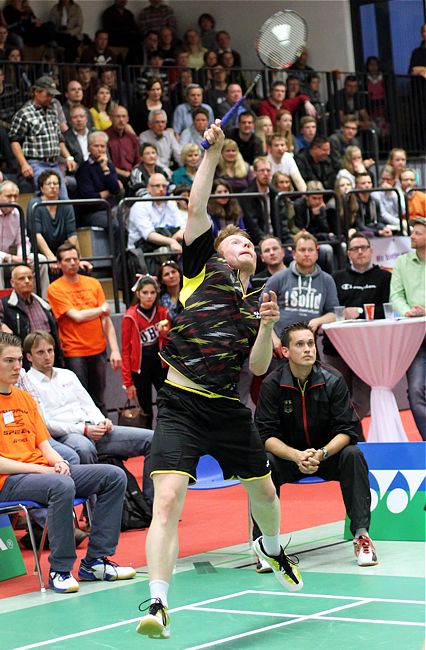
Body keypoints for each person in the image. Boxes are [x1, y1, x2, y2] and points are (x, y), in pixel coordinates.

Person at [136, 121, 302, 641]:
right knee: (166, 502)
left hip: (227, 410)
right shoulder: (199, 266)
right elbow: (198, 207)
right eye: (239, 241)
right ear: (220, 251)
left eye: (252, 242)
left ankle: (270, 550)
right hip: (181, 405)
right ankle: (159, 603)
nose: (246, 245)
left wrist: (270, 327)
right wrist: (210, 151)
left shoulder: (258, 304)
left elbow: (255, 370)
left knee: (266, 496)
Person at [0, 331, 136, 594]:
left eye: (18, 360)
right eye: (9, 361)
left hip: (42, 473)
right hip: (9, 481)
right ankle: (60, 570)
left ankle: (95, 561)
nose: (18, 367)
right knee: (60, 485)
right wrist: (43, 469)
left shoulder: (24, 398)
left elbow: (44, 444)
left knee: (112, 476)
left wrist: (58, 461)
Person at [253, 322, 377, 570]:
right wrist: (296, 456)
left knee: (353, 454)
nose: (308, 349)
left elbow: (348, 430)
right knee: (263, 463)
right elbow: (265, 436)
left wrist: (321, 454)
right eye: (300, 344)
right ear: (285, 351)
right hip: (288, 458)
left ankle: (362, 536)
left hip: (326, 455)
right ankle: (265, 545)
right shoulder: (272, 385)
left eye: (310, 343)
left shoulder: (333, 380)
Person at [24, 330, 154, 506]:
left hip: (93, 429)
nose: (47, 356)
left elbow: (88, 404)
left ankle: (150, 504)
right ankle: (93, 511)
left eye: (50, 350)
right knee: (84, 448)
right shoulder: (28, 382)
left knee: (151, 439)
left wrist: (102, 421)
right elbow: (46, 424)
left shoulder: (67, 374)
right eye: (40, 352)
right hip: (65, 436)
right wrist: (84, 430)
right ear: (29, 357)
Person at [321, 232, 391, 421]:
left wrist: (360, 312)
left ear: (371, 251)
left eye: (363, 248)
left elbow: (389, 311)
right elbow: (327, 309)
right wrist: (343, 313)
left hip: (369, 349)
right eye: (355, 249)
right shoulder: (335, 278)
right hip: (336, 348)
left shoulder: (385, 277)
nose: (360, 252)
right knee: (334, 397)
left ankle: (345, 431)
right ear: (348, 254)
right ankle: (347, 436)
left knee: (362, 400)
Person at [47, 242, 122, 415]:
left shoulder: (93, 283)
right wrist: (101, 309)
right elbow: (77, 316)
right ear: (59, 264)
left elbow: (106, 319)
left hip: (98, 349)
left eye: (75, 259)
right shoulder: (55, 288)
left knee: (100, 399)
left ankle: (105, 437)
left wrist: (115, 350)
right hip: (75, 352)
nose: (72, 263)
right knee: (80, 399)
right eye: (67, 260)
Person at [264, 231, 338, 355]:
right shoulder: (278, 278)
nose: (307, 254)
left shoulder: (327, 280)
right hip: (280, 347)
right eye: (302, 250)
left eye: (310, 250)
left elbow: (334, 314)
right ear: (293, 254)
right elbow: (260, 313)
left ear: (317, 254)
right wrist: (273, 340)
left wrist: (318, 321)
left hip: (310, 347)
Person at [9, 76, 77, 199]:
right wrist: (24, 164)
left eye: (52, 95)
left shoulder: (53, 111)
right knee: (46, 197)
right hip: (36, 163)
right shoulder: (24, 113)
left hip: (54, 163)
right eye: (48, 94)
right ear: (36, 92)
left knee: (64, 199)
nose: (51, 98)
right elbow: (14, 141)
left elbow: (59, 138)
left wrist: (68, 157)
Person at [390, 217, 426, 440]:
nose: (411, 236)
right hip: (414, 335)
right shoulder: (401, 263)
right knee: (415, 391)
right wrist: (407, 312)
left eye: (417, 233)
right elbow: (395, 295)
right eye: (412, 232)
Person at [121, 276, 170, 428]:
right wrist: (128, 382)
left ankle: (167, 435)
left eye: (152, 293)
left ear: (157, 294)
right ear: (138, 294)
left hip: (160, 363)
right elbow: (126, 350)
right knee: (145, 408)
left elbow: (170, 341)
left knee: (167, 404)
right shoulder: (130, 316)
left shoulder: (163, 312)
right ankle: (149, 441)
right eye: (145, 292)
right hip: (140, 367)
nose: (149, 296)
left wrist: (165, 333)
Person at [0, 264, 62, 367]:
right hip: (21, 361)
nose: (27, 281)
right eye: (21, 278)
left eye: (30, 277)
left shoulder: (44, 304)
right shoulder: (4, 303)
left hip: (48, 358)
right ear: (12, 283)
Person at [0, 180, 49, 295]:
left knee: (40, 260)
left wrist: (22, 257)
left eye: (15, 196)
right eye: (8, 196)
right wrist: (10, 258)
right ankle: (1, 306)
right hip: (4, 259)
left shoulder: (17, 213)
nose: (13, 200)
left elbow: (23, 241)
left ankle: (42, 303)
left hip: (12, 260)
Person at [26, 171, 79, 274]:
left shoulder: (66, 204)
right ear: (41, 188)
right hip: (41, 251)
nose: (53, 186)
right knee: (46, 265)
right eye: (48, 184)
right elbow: (36, 235)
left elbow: (72, 234)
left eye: (56, 183)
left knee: (79, 267)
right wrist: (50, 256)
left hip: (62, 250)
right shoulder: (35, 204)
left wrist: (68, 255)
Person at [75, 130, 121, 241]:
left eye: (102, 146)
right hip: (92, 213)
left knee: (129, 223)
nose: (100, 149)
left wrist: (105, 169)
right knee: (115, 226)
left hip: (111, 208)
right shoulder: (84, 169)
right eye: (96, 146)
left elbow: (115, 189)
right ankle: (116, 259)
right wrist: (106, 193)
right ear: (89, 148)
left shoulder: (109, 166)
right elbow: (89, 197)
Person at [239, 157, 292, 247]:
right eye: (262, 170)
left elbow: (283, 222)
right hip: (257, 243)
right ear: (254, 173)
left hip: (278, 241)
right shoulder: (247, 196)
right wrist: (265, 242)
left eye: (268, 170)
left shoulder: (276, 194)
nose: (266, 174)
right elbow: (252, 225)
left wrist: (288, 243)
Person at [127, 173, 184, 255]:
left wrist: (175, 238)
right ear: (148, 188)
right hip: (143, 251)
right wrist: (171, 241)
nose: (161, 189)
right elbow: (149, 235)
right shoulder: (139, 205)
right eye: (157, 186)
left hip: (170, 246)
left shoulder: (171, 203)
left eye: (164, 186)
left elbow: (183, 226)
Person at [105, 105, 140, 188]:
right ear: (110, 118)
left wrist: (133, 173)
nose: (121, 120)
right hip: (113, 176)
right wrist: (125, 174)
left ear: (127, 119)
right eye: (117, 117)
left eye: (124, 116)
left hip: (132, 175)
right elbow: (106, 163)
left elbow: (138, 159)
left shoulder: (132, 137)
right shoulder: (104, 137)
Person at [353, 172, 392, 237]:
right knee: (371, 234)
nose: (367, 185)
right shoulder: (354, 203)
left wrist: (384, 228)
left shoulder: (375, 201)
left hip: (373, 228)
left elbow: (379, 220)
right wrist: (378, 232)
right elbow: (359, 225)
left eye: (369, 182)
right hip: (359, 231)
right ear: (356, 185)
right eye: (363, 183)